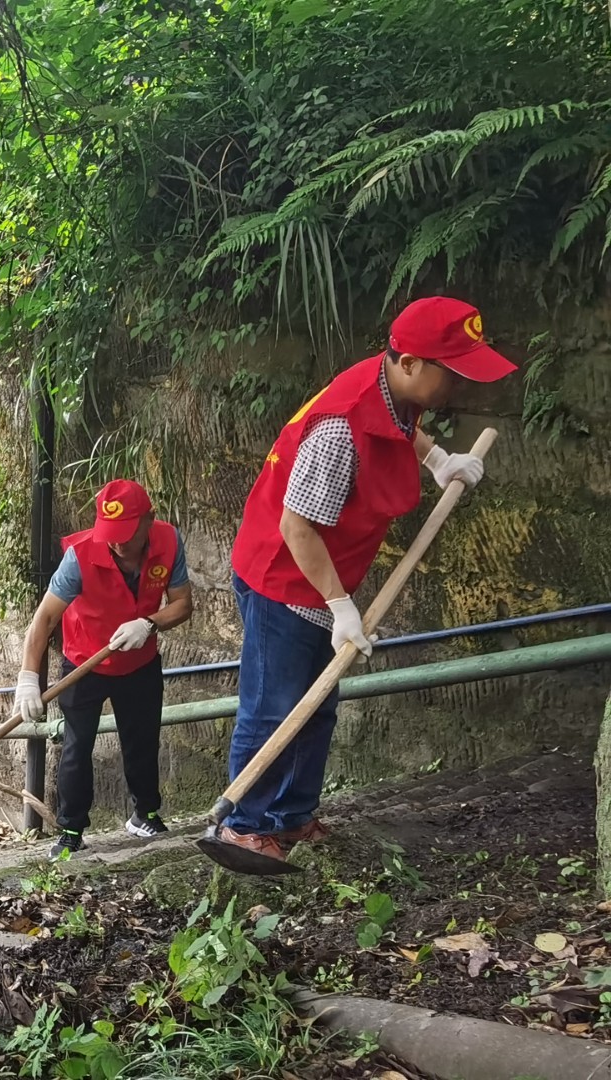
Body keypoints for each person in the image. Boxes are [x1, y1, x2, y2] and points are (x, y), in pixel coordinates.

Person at [216, 296, 515, 863]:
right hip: (284, 577)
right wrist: (339, 605)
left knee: (320, 703)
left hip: (323, 574)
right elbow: (297, 527)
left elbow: (402, 430)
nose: (459, 383)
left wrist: (439, 461)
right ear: (410, 363)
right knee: (276, 706)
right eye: (451, 371)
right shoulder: (340, 430)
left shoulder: (393, 389)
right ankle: (244, 826)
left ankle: (292, 816)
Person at [14, 479, 194, 860]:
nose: (117, 544)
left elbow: (182, 604)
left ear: (149, 520)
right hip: (85, 663)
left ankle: (145, 814)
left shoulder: (168, 542)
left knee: (143, 739)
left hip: (139, 660)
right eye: (110, 534)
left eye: (126, 534)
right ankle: (71, 830)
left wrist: (149, 623)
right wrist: (28, 677)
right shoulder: (79, 556)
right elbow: (44, 619)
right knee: (77, 746)